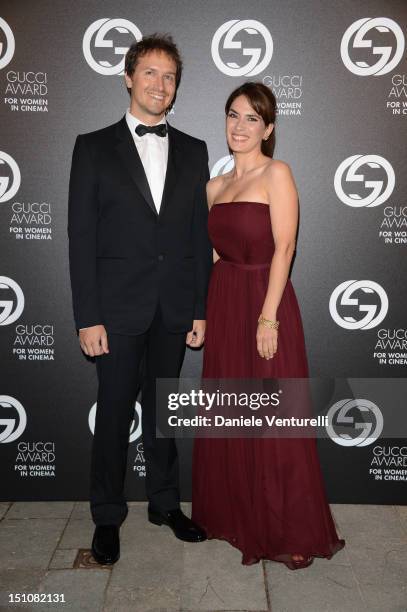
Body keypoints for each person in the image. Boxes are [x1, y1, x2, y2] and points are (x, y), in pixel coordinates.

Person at [68, 34, 212, 565]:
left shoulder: (195, 150)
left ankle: (165, 504)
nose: (159, 84)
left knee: (163, 413)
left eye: (169, 76)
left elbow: (199, 239)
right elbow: (80, 239)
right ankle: (107, 516)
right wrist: (88, 316)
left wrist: (199, 307)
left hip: (173, 309)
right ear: (128, 78)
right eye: (149, 73)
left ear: (176, 88)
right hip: (117, 310)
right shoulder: (92, 146)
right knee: (112, 417)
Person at [191, 82, 345, 569]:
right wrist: (204, 312)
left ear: (269, 128)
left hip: (265, 302)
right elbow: (212, 254)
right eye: (233, 115)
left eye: (252, 118)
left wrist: (267, 316)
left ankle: (287, 526)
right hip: (224, 299)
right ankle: (236, 516)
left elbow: (285, 247)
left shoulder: (277, 173)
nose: (240, 126)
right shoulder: (214, 187)